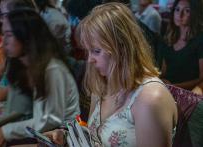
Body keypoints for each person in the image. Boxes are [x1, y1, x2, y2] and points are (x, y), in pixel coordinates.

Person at [43, 2, 178, 147]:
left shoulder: (150, 99)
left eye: (96, 51)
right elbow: (96, 138)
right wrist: (66, 137)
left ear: (122, 48)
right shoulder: (102, 84)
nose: (89, 60)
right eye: (87, 51)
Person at [0, 8, 80, 147]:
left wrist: (5, 131)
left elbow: (50, 120)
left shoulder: (53, 69)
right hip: (43, 131)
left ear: (26, 37)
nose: (4, 41)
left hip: (62, 135)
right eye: (4, 34)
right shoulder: (30, 65)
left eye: (9, 35)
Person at [160, 0, 203, 90]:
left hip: (187, 94)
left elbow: (201, 79)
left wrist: (174, 87)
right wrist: (160, 80)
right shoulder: (168, 39)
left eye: (187, 11)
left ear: (195, 13)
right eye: (177, 9)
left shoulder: (200, 40)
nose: (180, 15)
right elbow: (164, 72)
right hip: (166, 90)